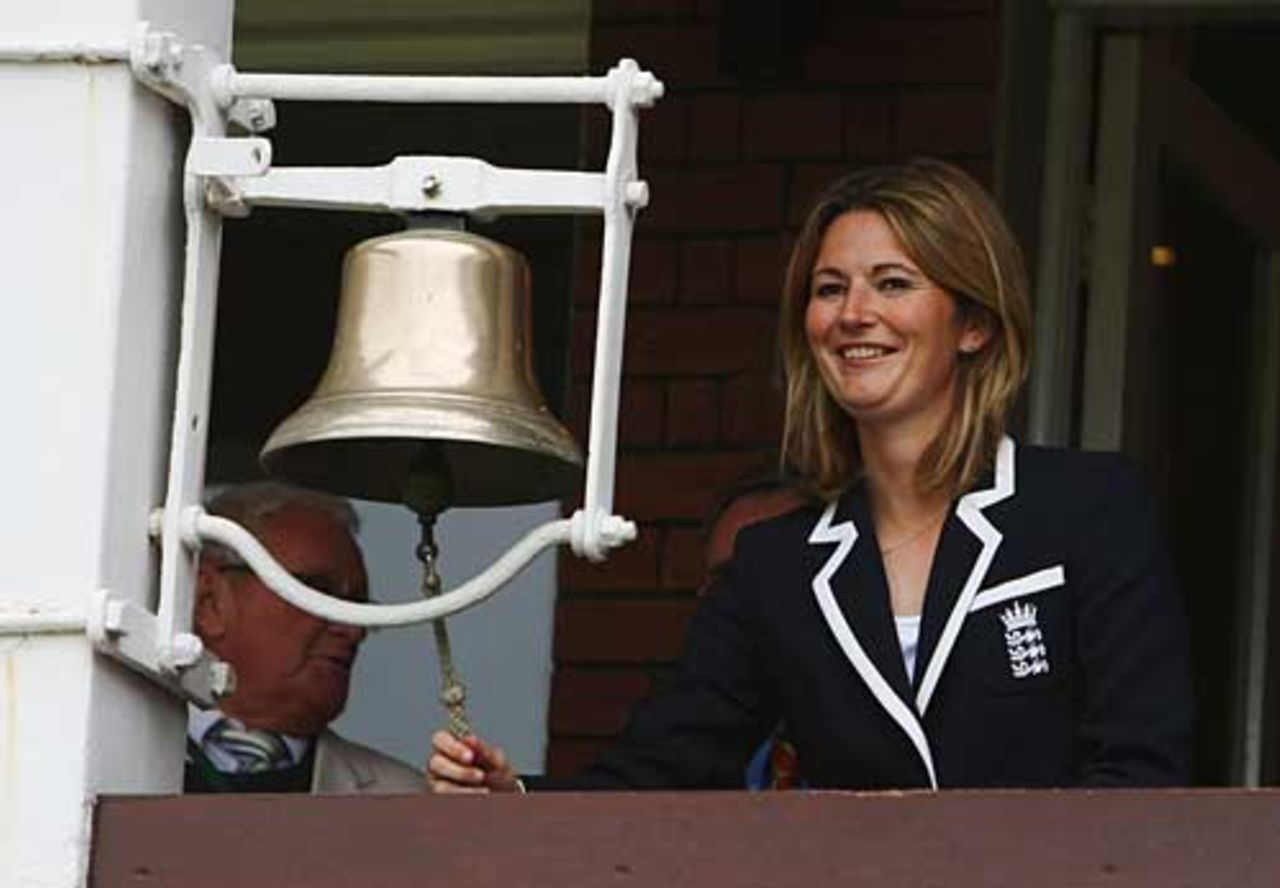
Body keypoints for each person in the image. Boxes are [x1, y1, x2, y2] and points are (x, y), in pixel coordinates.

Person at [427, 158, 1193, 792]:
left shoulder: (1090, 510)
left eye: (893, 283)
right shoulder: (775, 567)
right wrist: (513, 797)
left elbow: (1141, 775)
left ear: (975, 324)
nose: (853, 313)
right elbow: (658, 775)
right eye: (830, 290)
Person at [186, 481, 423, 794]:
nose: (353, 630)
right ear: (210, 602)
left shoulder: (407, 802)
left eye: (358, 608)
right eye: (318, 593)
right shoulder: (109, 756)